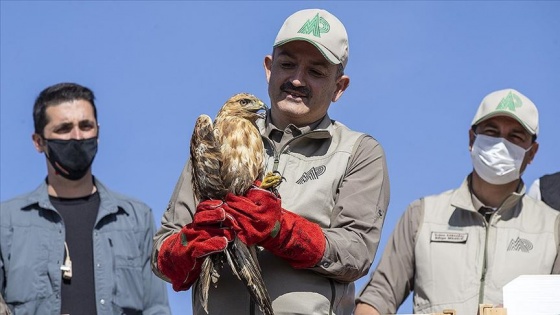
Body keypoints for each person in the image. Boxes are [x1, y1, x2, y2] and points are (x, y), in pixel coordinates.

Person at [151, 8, 390, 315]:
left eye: (316, 72)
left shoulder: (359, 151)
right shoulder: (216, 138)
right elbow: (163, 253)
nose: (296, 79)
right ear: (269, 68)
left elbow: (356, 252)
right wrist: (190, 243)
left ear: (339, 87)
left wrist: (281, 230)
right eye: (287, 64)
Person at [354, 88, 560, 315]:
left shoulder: (553, 228)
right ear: (472, 139)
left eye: (515, 136)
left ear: (532, 152)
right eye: (492, 132)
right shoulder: (422, 215)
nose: (501, 144)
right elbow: (377, 299)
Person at [0, 83, 171, 315]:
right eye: (64, 128)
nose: (77, 137)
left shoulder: (136, 219)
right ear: (39, 142)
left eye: (85, 126)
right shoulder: (6, 223)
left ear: (98, 132)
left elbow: (156, 308)